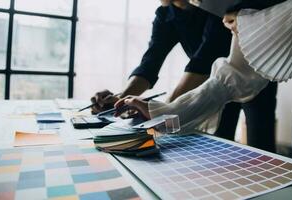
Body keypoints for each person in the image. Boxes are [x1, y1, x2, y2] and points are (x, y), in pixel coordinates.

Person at [114, 0, 292, 180]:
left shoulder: (216, 16)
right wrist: (164, 112)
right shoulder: (173, 14)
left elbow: (203, 62)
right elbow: (233, 76)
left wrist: (259, 22)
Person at [91, 0, 278, 152]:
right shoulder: (166, 14)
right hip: (215, 85)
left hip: (254, 75)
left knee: (261, 145)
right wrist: (120, 99)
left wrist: (161, 111)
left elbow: (202, 62)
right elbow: (149, 64)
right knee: (219, 145)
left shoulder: (214, 6)